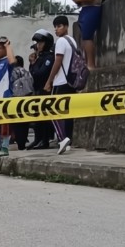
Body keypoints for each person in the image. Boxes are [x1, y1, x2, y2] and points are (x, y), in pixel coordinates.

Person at [44, 16, 77, 155]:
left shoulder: (61, 42)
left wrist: (49, 81)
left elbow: (57, 62)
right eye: (55, 26)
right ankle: (68, 140)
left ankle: (62, 138)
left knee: (53, 111)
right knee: (68, 113)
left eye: (59, 26)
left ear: (66, 26)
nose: (56, 29)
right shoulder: (73, 41)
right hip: (71, 82)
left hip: (61, 82)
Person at [72, 0, 105, 70]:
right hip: (85, 10)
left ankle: (91, 64)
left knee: (88, 37)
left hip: (92, 9)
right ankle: (87, 63)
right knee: (84, 38)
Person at [28, 29, 56, 150]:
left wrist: (34, 64)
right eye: (37, 43)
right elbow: (33, 73)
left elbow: (40, 73)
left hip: (46, 90)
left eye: (41, 43)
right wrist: (32, 63)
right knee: (37, 118)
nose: (38, 45)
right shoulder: (40, 57)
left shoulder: (49, 57)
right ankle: (37, 139)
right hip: (38, 90)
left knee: (44, 118)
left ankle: (44, 141)